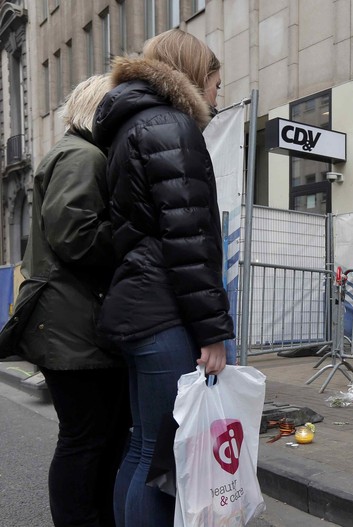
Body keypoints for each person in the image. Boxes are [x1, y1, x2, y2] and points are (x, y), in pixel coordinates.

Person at [91, 29, 233, 527]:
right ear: (196, 75)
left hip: (139, 310)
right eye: (216, 83)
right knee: (164, 460)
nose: (218, 97)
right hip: (166, 315)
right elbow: (190, 239)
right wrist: (213, 332)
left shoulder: (131, 126)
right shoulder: (171, 126)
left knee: (144, 450)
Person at [15, 74, 131, 527]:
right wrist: (134, 230)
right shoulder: (82, 156)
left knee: (93, 436)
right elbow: (74, 235)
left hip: (71, 322)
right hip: (72, 325)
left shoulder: (76, 152)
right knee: (86, 438)